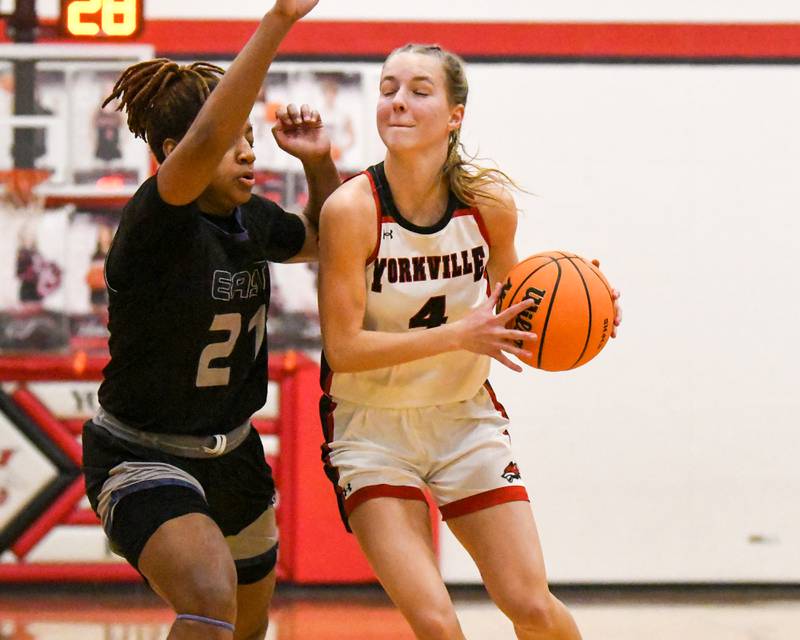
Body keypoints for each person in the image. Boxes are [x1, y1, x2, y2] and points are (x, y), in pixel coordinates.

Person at [317, 44, 621, 640]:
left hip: (463, 420)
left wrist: (589, 307)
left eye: (418, 91)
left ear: (455, 114)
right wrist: (459, 333)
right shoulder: (351, 210)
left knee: (530, 604)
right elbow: (344, 347)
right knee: (435, 621)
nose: (397, 101)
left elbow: (515, 308)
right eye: (388, 88)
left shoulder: (488, 207)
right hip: (371, 432)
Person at [81, 2, 338, 639]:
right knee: (207, 597)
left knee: (245, 629)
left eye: (251, 139)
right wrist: (279, 20)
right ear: (176, 154)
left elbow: (330, 237)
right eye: (232, 141)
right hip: (141, 454)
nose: (248, 153)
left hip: (236, 453)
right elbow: (203, 140)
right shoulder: (155, 224)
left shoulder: (251, 219)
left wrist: (317, 163)